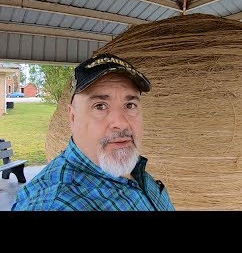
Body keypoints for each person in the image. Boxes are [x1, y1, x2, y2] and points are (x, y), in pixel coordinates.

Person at [11, 53, 175, 211]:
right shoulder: (53, 204)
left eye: (130, 105)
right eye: (100, 106)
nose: (121, 123)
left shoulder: (129, 167)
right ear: (73, 116)